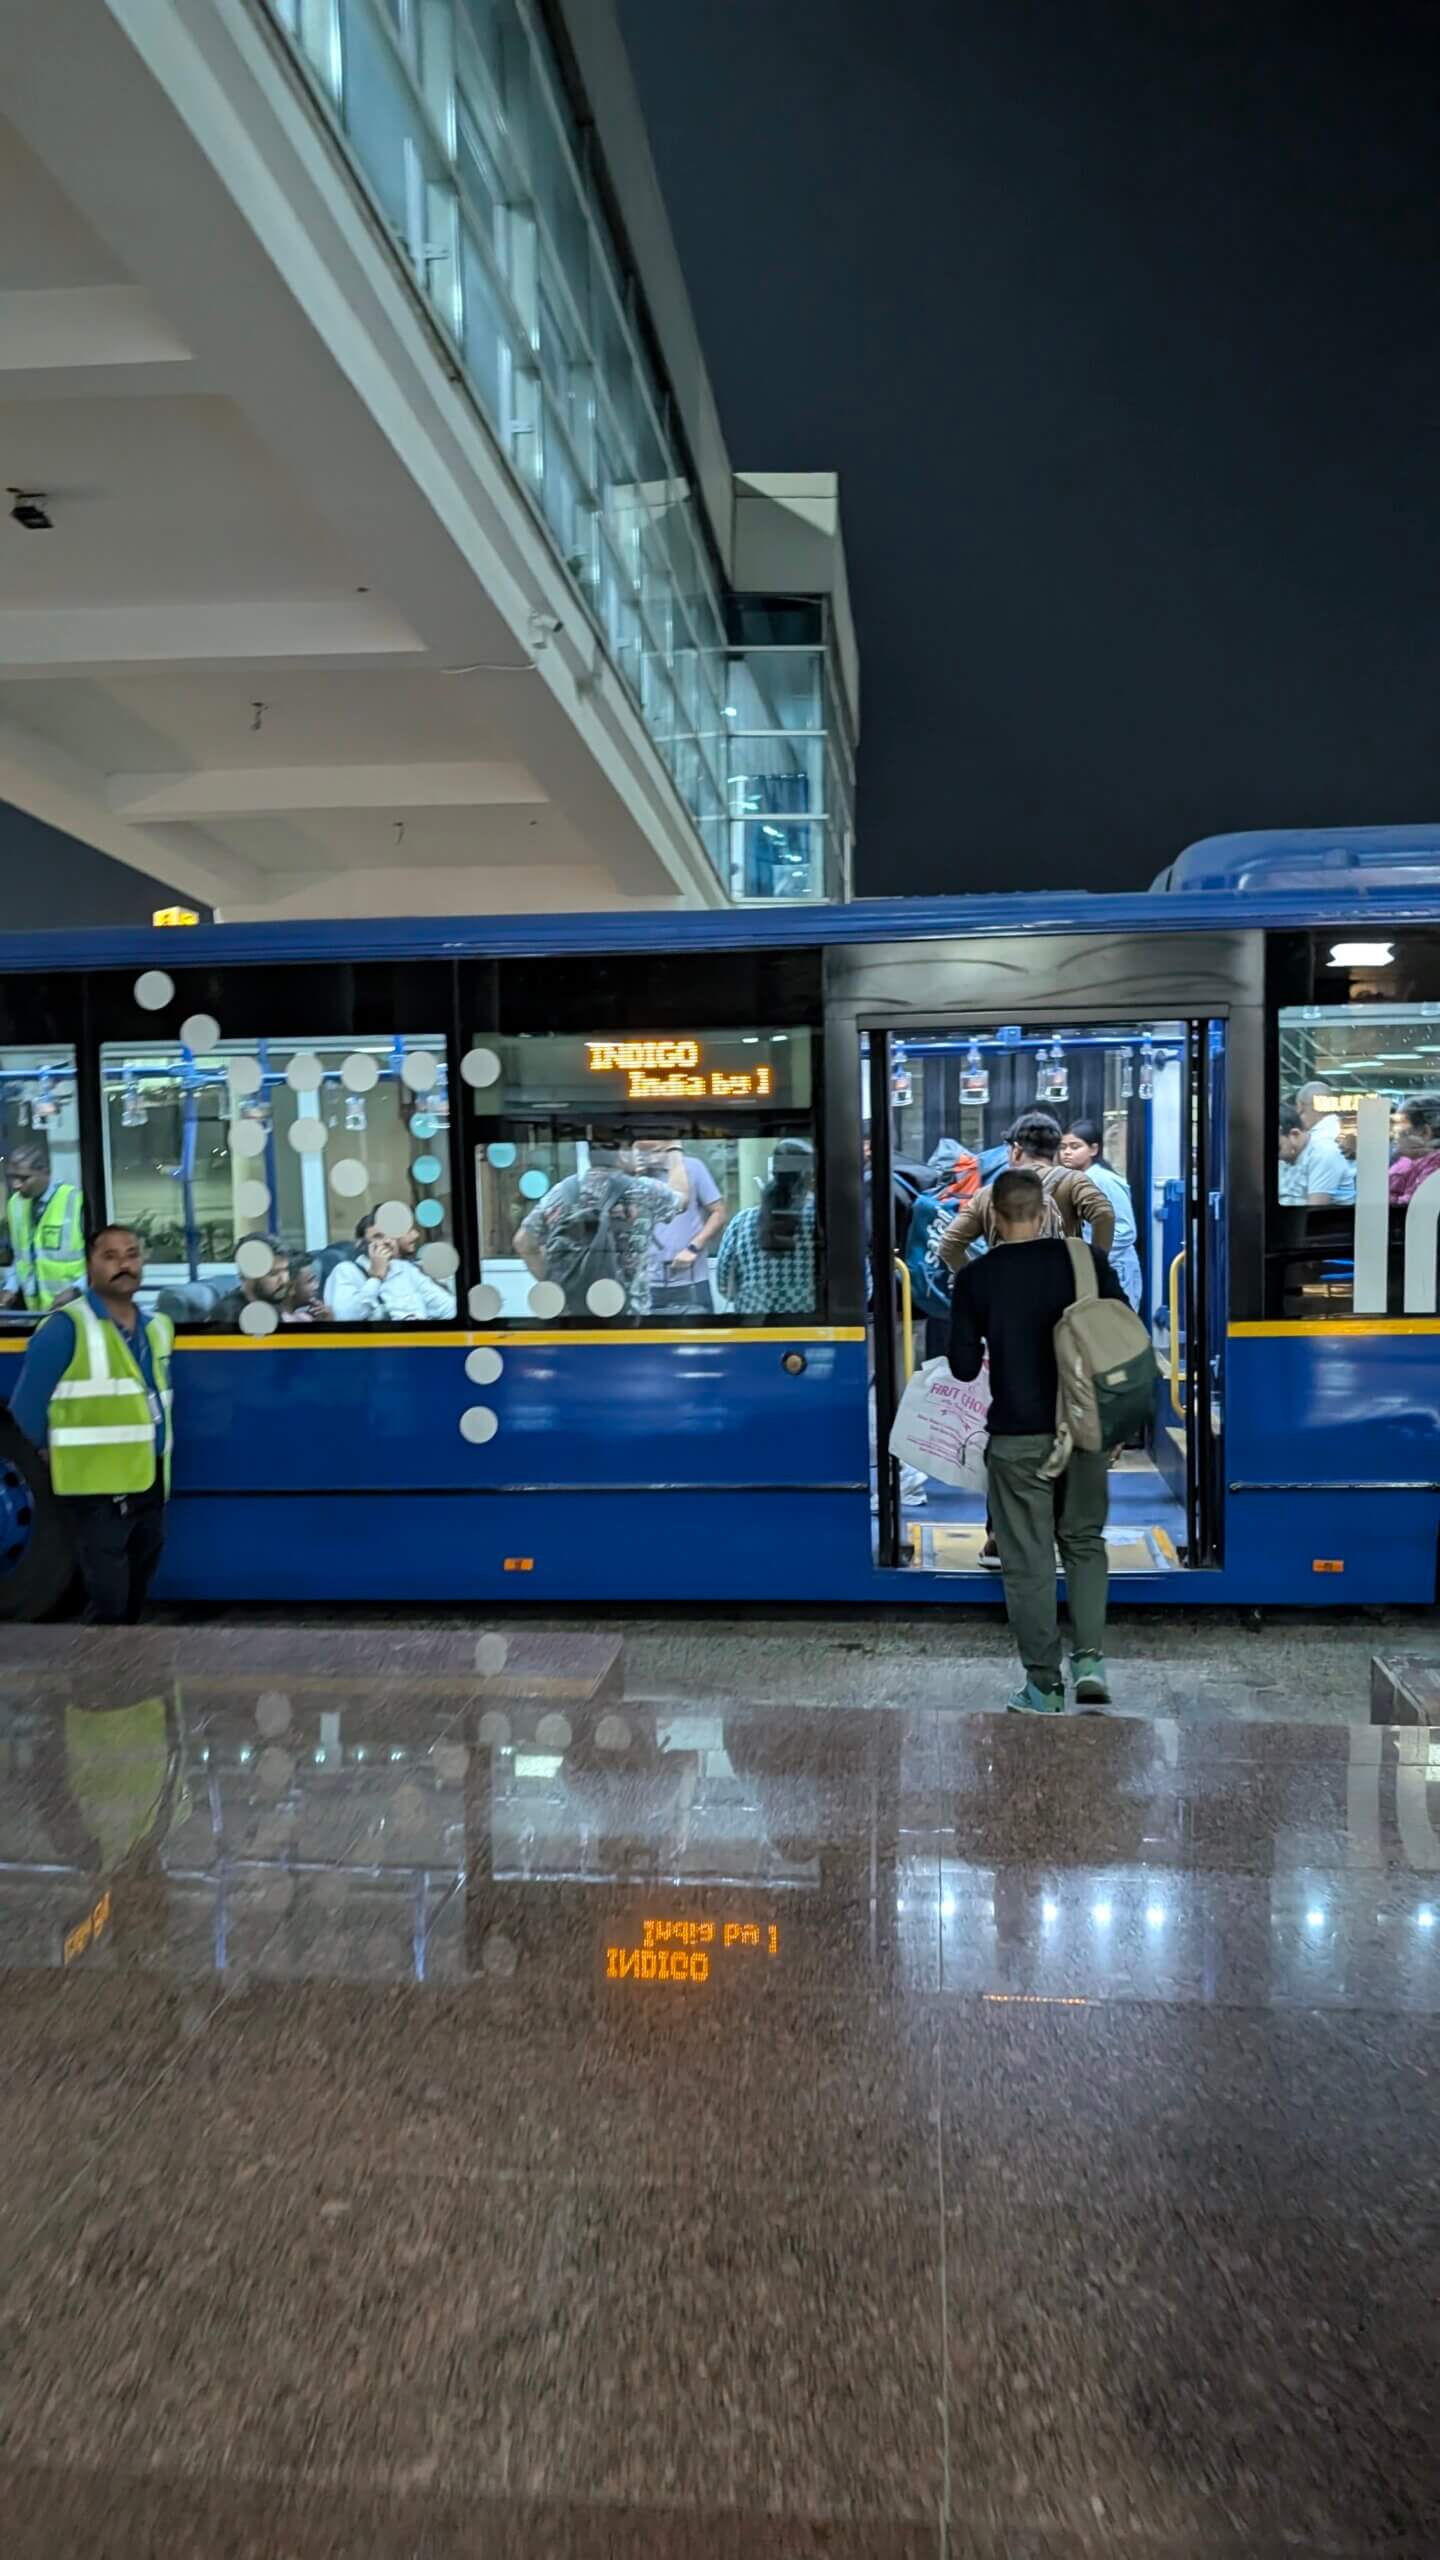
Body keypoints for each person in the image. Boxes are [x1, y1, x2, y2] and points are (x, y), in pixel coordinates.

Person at [948, 1168, 1126, 1713]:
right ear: (1047, 1212)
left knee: (1027, 1561)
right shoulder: (1085, 1262)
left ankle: (1044, 1686)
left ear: (994, 1219)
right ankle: (1091, 1660)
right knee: (1085, 1542)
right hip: (1087, 1427)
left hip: (1019, 1436)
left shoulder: (977, 1277)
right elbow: (1122, 1336)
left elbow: (959, 1367)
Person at [7, 1223, 174, 1624]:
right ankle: (101, 1679)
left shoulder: (157, 1328)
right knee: (110, 1602)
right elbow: (26, 1409)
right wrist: (53, 1455)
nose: (124, 1265)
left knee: (135, 1594)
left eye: (132, 1255)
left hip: (149, 1479)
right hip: (96, 1488)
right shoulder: (65, 1328)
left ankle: (126, 1676)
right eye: (110, 1257)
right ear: (90, 1266)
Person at [937, 1112, 1116, 1275]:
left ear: (1016, 1150)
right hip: (1064, 1290)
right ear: (1055, 1152)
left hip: (1008, 1292)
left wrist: (978, 1280)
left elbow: (949, 1245)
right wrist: (1095, 1266)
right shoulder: (1074, 1181)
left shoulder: (988, 1194)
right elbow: (1103, 1214)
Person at [515, 1149, 677, 1315]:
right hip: (628, 1318)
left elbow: (523, 1242)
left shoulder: (562, 1192)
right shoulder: (645, 1190)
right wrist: (674, 1150)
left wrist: (555, 1283)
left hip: (572, 1316)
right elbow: (682, 1199)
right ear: (621, 1155)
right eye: (632, 1148)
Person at [715, 1139, 816, 1316]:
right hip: (815, 1330)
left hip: (754, 1330)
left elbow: (724, 1286)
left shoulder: (741, 1222)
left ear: (773, 1172)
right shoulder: (824, 1221)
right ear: (809, 1175)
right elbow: (862, 1287)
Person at [630, 1138, 726, 1316]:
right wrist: (637, 1175)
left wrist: (694, 1247)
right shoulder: (634, 1178)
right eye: (642, 1152)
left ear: (669, 1147)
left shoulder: (693, 1168)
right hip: (647, 1282)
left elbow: (718, 1212)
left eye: (654, 1150)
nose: (648, 1157)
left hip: (690, 1281)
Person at [1059, 1119, 1143, 1309]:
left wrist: (1095, 1257)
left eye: (1075, 1146)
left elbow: (1125, 1230)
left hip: (1115, 1269)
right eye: (1063, 1147)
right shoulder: (1072, 1180)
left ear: (1093, 1149)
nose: (1067, 1152)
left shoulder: (1105, 1181)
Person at [2, 1138, 86, 1313]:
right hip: (37, 1312)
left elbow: (100, 1262)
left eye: (24, 1178)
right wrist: (10, 1287)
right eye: (12, 1177)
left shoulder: (75, 1201)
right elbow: (22, 1257)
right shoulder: (15, 1205)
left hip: (77, 1310)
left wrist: (76, 1290)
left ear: (45, 1172)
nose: (16, 1185)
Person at [326, 1211, 458, 1321]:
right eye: (378, 1236)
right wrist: (376, 1279)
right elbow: (344, 1319)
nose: (388, 1241)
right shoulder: (346, 1271)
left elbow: (449, 1307)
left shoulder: (406, 1270)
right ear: (361, 1244)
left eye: (390, 1235)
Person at [209, 1236, 292, 1330]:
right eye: (273, 1273)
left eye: (285, 1270)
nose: (284, 1280)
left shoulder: (271, 1303)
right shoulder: (227, 1316)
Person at [1278, 1106, 1350, 1205]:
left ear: (1295, 1135)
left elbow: (1315, 1207)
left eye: (1278, 1148)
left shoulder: (1323, 1153)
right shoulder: (1286, 1155)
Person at [1388, 1098, 1440, 1203]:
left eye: (1401, 1131)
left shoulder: (1434, 1167)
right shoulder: (1412, 1162)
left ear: (1425, 1132)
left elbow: (1405, 1207)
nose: (1396, 1138)